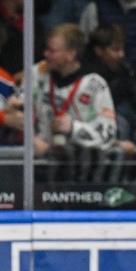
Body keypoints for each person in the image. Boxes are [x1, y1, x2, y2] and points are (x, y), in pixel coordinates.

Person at [27, 23, 117, 176]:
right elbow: (17, 109)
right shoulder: (37, 73)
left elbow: (107, 134)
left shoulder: (95, 84)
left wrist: (73, 128)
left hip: (80, 168)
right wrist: (30, 138)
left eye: (52, 50)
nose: (45, 54)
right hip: (39, 161)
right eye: (46, 49)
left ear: (71, 55)